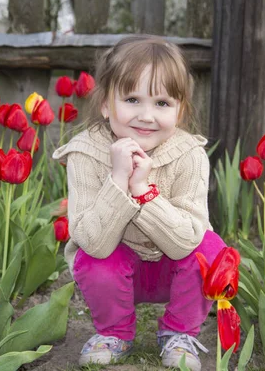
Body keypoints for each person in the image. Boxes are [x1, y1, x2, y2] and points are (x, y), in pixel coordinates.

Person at [52, 35, 226, 371]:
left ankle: (179, 333)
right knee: (92, 257)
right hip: (114, 266)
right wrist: (118, 181)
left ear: (180, 111)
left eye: (162, 103)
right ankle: (115, 333)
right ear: (105, 103)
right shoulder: (86, 154)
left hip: (171, 266)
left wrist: (143, 190)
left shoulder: (189, 154)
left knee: (210, 249)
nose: (146, 116)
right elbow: (92, 243)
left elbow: (186, 241)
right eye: (132, 99)